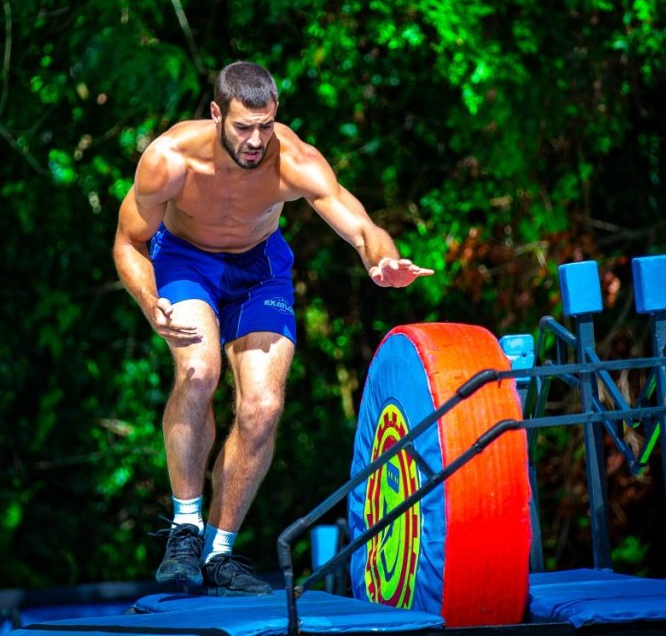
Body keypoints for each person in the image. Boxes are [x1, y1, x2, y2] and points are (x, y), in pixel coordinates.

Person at [112, 61, 433, 596]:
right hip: (186, 262)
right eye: (244, 128)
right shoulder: (170, 159)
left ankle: (219, 552)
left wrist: (382, 259)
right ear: (217, 114)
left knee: (263, 407)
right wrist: (149, 300)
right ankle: (185, 528)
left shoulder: (294, 160)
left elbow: (360, 226)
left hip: (260, 269)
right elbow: (128, 242)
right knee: (198, 371)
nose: (256, 141)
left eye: (266, 126)